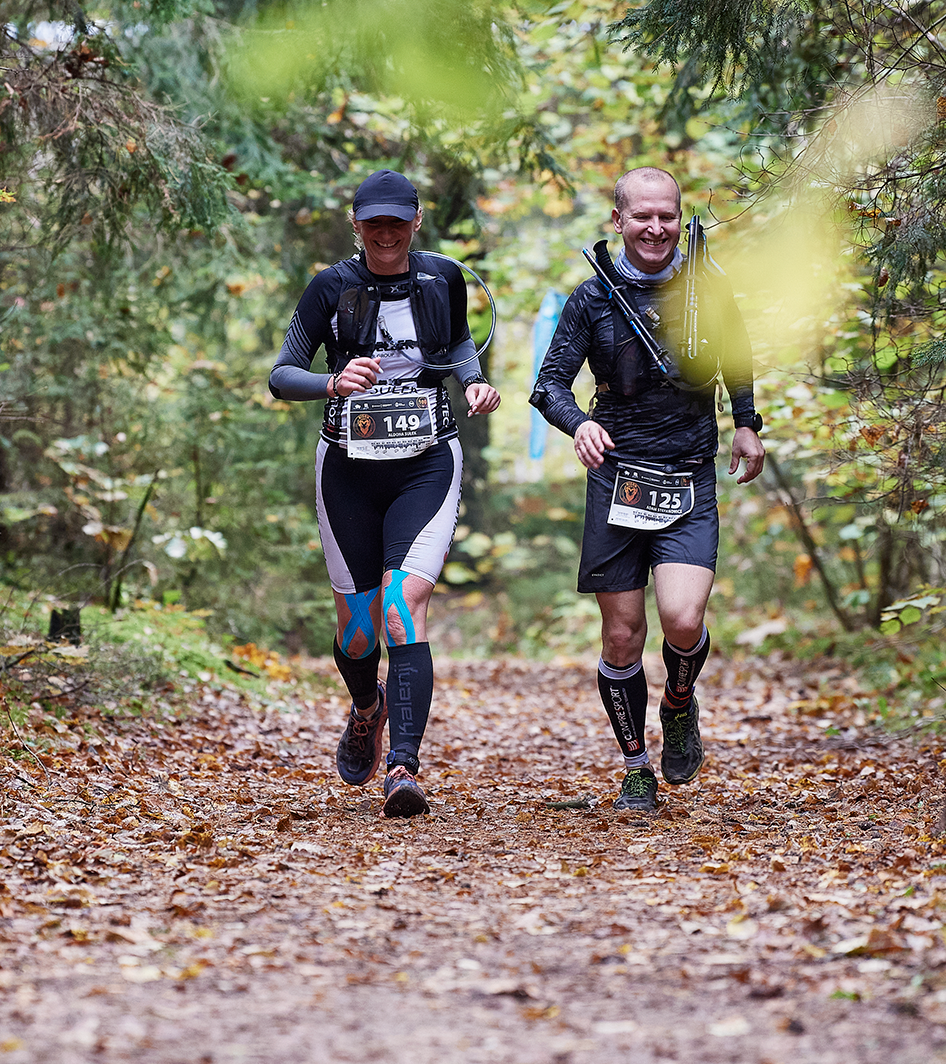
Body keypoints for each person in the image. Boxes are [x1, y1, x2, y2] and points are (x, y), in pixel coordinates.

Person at [529, 166, 763, 815]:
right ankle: (637, 766)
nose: (655, 227)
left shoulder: (706, 288)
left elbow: (737, 356)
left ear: (679, 218)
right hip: (617, 480)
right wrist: (579, 426)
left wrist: (746, 423)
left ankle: (680, 703)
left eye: (667, 215)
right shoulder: (591, 298)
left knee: (684, 620)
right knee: (623, 637)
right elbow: (548, 385)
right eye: (642, 216)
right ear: (619, 221)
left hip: (687, 471)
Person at [269, 169, 500, 817]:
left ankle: (403, 766)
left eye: (397, 221)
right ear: (356, 224)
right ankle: (365, 707)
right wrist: (332, 381)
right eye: (375, 223)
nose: (387, 233)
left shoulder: (442, 278)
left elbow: (455, 341)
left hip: (426, 460)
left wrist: (473, 380)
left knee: (403, 603)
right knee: (358, 631)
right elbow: (282, 373)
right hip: (348, 466)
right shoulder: (331, 287)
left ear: (416, 221)